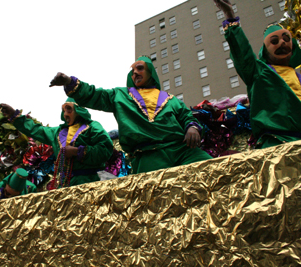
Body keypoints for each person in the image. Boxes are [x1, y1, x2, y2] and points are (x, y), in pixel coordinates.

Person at [49, 56, 212, 174]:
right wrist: (69, 82)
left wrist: (192, 128)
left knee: (214, 169)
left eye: (140, 68)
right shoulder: (120, 96)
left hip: (182, 150)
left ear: (150, 72)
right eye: (132, 70)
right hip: (149, 155)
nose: (135, 73)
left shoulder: (171, 99)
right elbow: (94, 95)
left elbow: (186, 117)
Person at [214, 0, 301, 148]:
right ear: (266, 51)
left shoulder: (299, 77)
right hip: (277, 143)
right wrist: (230, 15)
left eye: (286, 39)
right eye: (274, 41)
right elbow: (243, 53)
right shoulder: (259, 72)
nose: (282, 43)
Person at [0, 98, 113, 188]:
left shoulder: (92, 127)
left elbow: (106, 149)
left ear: (78, 110)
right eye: (64, 110)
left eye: (69, 109)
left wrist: (78, 151)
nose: (65, 114)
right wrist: (14, 116)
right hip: (64, 186)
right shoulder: (57, 132)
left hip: (89, 183)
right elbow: (36, 130)